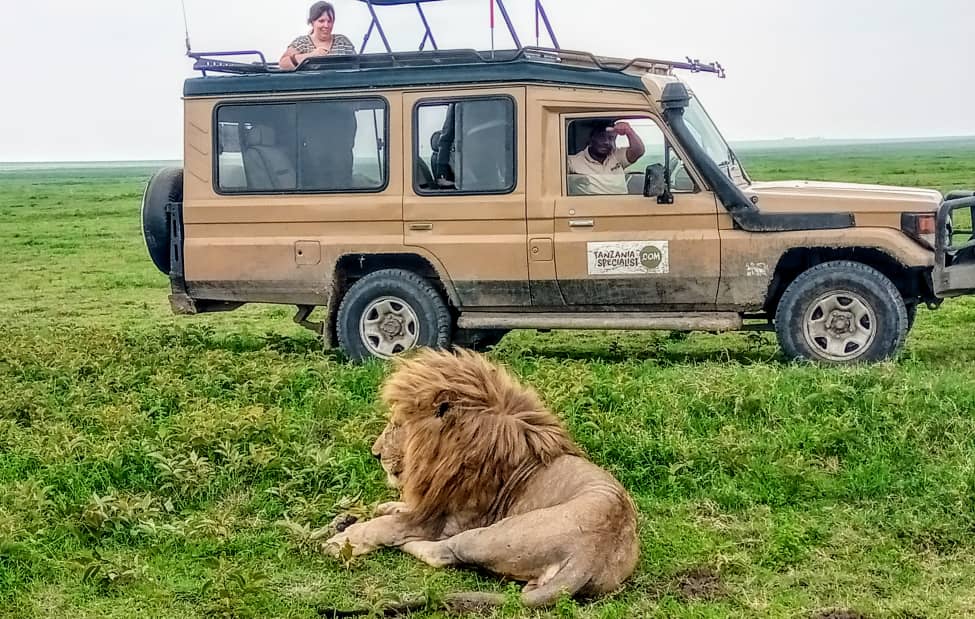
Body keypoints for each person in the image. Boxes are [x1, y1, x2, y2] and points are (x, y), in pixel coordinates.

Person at [567, 121, 645, 195]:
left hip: (622, 205)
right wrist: (571, 180)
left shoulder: (616, 155)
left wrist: (629, 131)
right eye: (602, 137)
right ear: (591, 139)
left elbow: (639, 151)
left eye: (611, 138)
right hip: (593, 207)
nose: (607, 142)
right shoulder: (572, 161)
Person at [279, 1, 356, 71]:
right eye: (321, 21)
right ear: (312, 22)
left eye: (329, 21)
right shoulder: (301, 42)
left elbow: (357, 65)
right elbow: (283, 64)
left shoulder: (343, 41)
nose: (326, 25)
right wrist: (311, 55)